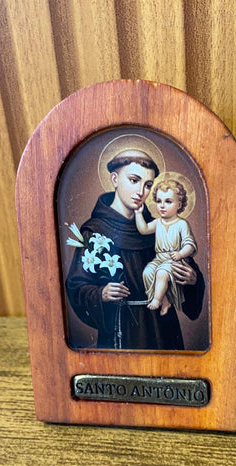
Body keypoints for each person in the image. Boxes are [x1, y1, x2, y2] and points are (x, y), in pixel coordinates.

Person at [65, 148, 205, 350]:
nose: (141, 192)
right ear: (114, 179)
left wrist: (192, 280)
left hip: (162, 327)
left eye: (148, 185)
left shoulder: (159, 227)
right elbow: (77, 286)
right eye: (134, 180)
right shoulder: (95, 231)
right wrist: (101, 293)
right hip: (122, 330)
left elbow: (184, 269)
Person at [134, 177, 197, 316]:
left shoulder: (182, 224)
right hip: (159, 259)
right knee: (147, 272)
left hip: (175, 260)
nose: (162, 206)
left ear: (179, 205)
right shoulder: (158, 222)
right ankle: (165, 300)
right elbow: (144, 229)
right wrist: (138, 214)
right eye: (159, 201)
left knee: (162, 273)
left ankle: (157, 300)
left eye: (168, 201)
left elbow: (190, 245)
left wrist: (180, 254)